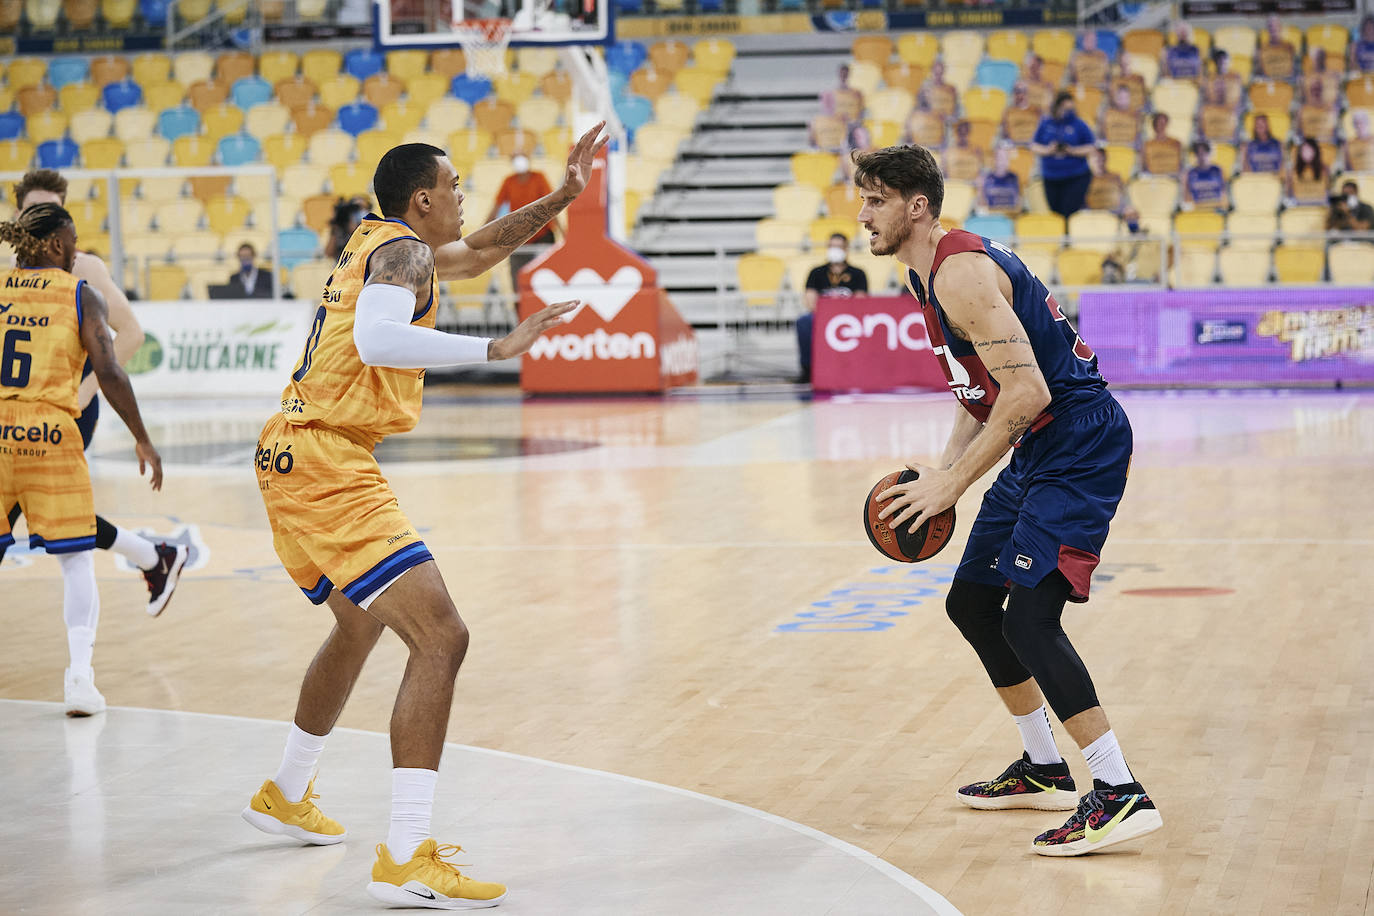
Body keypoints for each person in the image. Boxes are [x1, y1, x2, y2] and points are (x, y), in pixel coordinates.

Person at [241, 123, 608, 908]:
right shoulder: (402, 252)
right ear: (423, 198)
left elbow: (476, 252)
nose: (464, 197)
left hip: (291, 452)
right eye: (456, 187)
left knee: (361, 624)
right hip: (328, 460)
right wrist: (495, 351)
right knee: (441, 635)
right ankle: (407, 851)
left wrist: (564, 198)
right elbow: (377, 342)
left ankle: (285, 789)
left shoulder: (388, 244)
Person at [853, 144, 1161, 857]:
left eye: (874, 200)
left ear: (916, 206)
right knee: (970, 602)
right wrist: (943, 471)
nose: (861, 214)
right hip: (1037, 443)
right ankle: (1042, 768)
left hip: (1078, 439)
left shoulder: (959, 274)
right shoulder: (920, 274)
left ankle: (1118, 792)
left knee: (1029, 616)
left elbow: (1028, 391)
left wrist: (954, 486)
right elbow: (982, 386)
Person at [0, 204, 168, 716]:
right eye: (73, 242)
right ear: (54, 245)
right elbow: (111, 371)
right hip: (50, 435)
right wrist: (142, 437)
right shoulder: (79, 294)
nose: (77, 252)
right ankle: (79, 681)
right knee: (74, 559)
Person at [10, 170, 187, 617]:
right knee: (46, 509)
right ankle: (153, 555)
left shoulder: (85, 266)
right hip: (14, 405)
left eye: (50, 207)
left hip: (63, 404)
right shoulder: (5, 261)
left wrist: (85, 390)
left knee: (41, 509)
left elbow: (130, 333)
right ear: (18, 212)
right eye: (32, 208)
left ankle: (151, 558)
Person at [796, 232, 868, 385]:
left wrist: (840, 314)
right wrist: (827, 314)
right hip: (822, 316)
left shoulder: (857, 273)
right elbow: (809, 300)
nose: (834, 250)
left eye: (838, 247)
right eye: (831, 246)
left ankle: (858, 369)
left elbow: (860, 301)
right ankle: (808, 369)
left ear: (846, 249)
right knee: (804, 321)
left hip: (849, 317)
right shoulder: (816, 272)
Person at [485, 153, 558, 293]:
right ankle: (520, 308)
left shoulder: (539, 178)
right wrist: (482, 232)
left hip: (542, 235)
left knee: (545, 275)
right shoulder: (509, 181)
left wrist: (563, 233)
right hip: (518, 237)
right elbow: (496, 208)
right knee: (517, 279)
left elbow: (552, 205)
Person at [1031, 92, 1096, 219]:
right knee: (1055, 213)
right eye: (1065, 109)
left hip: (1075, 176)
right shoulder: (1046, 123)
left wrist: (1072, 150)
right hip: (1051, 176)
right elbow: (1034, 145)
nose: (1067, 112)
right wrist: (1049, 149)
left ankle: (1068, 237)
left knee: (1069, 212)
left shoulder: (1078, 124)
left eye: (1070, 109)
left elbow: (1091, 146)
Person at [1182, 141, 1228, 210]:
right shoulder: (1190, 173)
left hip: (1216, 208)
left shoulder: (1218, 170)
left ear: (1209, 153)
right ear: (1195, 155)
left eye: (1204, 153)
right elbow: (1186, 198)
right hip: (1198, 209)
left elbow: (1224, 193)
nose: (1202, 156)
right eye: (1198, 153)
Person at [1286, 137, 1330, 206]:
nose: (1306, 153)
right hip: (1299, 206)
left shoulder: (1324, 169)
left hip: (1319, 205)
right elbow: (1289, 193)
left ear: (1315, 151)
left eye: (1310, 150)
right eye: (1304, 150)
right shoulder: (1293, 170)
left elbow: (1328, 191)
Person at [980, 145, 1022, 214]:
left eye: (1006, 158)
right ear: (995, 160)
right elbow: (982, 205)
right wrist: (980, 189)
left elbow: (1018, 201)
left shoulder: (1013, 177)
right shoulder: (987, 178)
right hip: (993, 217)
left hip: (1010, 216)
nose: (1003, 161)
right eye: (1000, 158)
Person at [326, 195, 371, 261]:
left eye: (361, 208)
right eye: (355, 209)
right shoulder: (340, 230)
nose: (358, 212)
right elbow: (329, 253)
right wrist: (335, 227)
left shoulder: (373, 230)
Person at [1142, 112, 1182, 176]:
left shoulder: (1176, 143)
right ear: (1154, 125)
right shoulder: (1147, 145)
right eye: (1159, 123)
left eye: (1164, 123)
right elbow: (1144, 167)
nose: (1162, 126)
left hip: (1172, 178)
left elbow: (1181, 165)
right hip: (1154, 179)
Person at [1259, 15, 1295, 80]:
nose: (1273, 29)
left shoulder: (1289, 46)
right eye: (1270, 27)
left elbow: (1294, 69)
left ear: (1280, 28)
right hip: (1269, 81)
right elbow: (1261, 72)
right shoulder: (1262, 49)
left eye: (1276, 26)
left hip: (1287, 81)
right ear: (1267, 30)